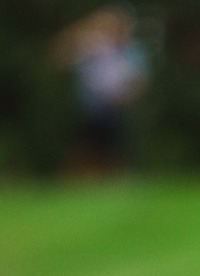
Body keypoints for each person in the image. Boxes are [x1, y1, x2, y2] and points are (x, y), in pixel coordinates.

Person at [55, 7, 149, 178]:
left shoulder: (131, 50)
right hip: (90, 106)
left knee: (117, 144)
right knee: (88, 145)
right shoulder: (90, 47)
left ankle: (118, 179)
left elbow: (138, 81)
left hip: (118, 106)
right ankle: (81, 179)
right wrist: (85, 31)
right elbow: (61, 57)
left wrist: (127, 97)